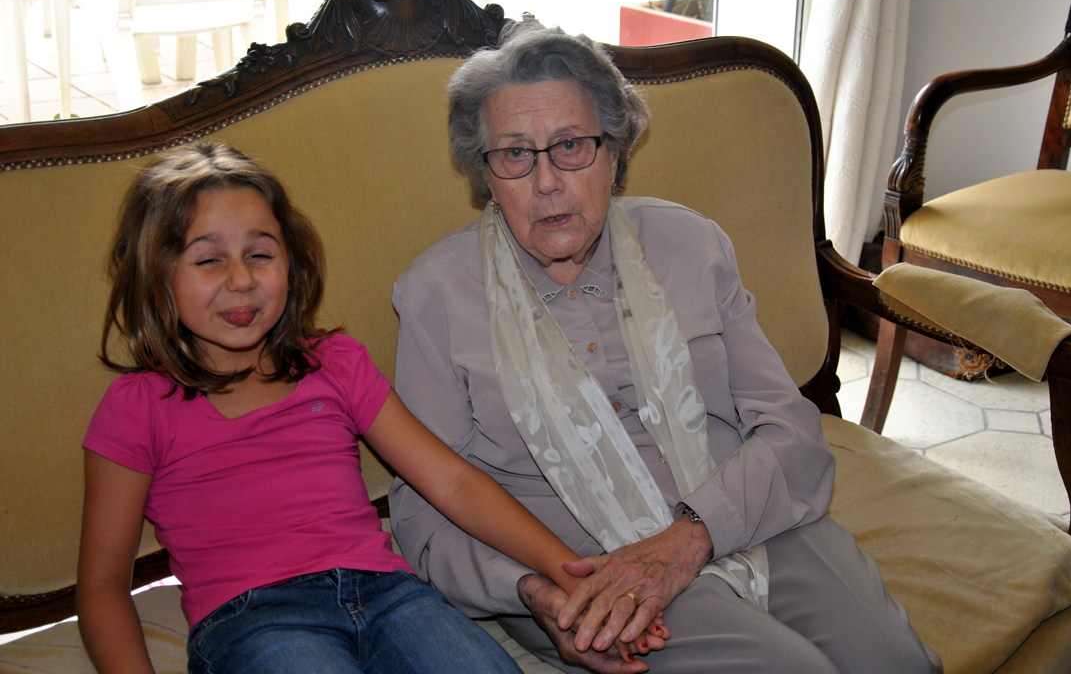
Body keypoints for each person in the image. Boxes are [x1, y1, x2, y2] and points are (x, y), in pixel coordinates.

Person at [389, 23, 944, 674]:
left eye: (571, 146)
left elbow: (790, 428)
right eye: (515, 154)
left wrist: (690, 537)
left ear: (615, 153)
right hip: (590, 574)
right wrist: (533, 592)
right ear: (486, 174)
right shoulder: (437, 296)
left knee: (897, 663)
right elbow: (422, 515)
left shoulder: (690, 245)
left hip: (751, 514)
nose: (546, 182)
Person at [76, 142, 658, 674]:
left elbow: (454, 483)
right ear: (157, 275)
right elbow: (102, 585)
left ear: (291, 262)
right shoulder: (139, 406)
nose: (241, 280)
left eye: (259, 254)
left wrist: (576, 577)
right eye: (208, 260)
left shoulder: (334, 364)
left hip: (391, 597)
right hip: (255, 619)